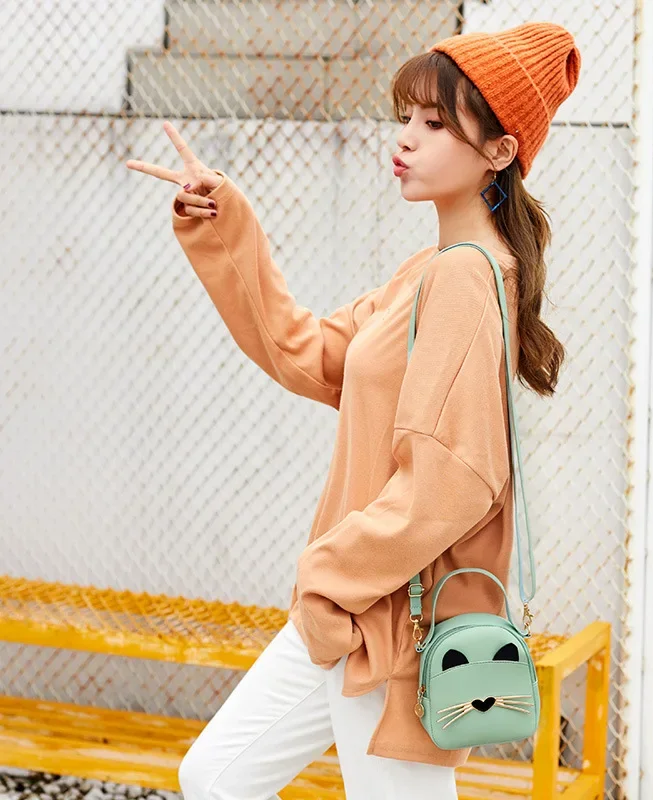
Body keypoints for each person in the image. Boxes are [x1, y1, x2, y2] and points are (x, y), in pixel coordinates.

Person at [126, 19, 580, 800]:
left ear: (500, 151)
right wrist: (226, 222)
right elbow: (308, 351)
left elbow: (452, 479)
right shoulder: (431, 270)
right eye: (405, 116)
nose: (405, 137)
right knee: (215, 775)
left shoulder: (466, 280)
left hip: (391, 619)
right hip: (359, 608)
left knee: (222, 779)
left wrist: (328, 575)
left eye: (435, 123)